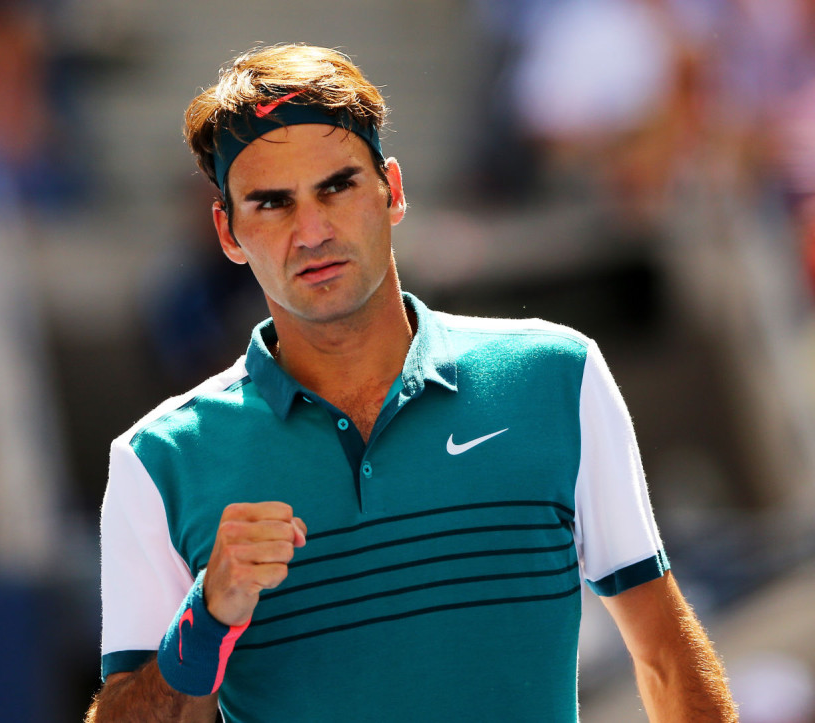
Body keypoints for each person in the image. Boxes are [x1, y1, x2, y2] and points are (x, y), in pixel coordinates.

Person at [86, 43, 737, 722]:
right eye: (272, 203)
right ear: (228, 231)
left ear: (392, 191)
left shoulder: (557, 377)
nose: (311, 231)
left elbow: (665, 656)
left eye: (336, 186)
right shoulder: (155, 460)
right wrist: (206, 621)